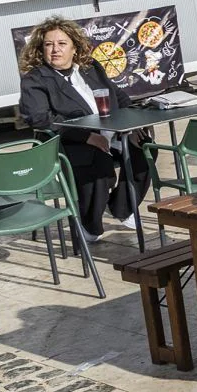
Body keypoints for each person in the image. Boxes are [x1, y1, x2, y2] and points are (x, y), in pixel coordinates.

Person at [16, 17, 150, 241]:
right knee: (96, 158)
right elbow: (40, 119)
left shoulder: (91, 68)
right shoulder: (35, 79)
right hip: (68, 142)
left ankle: (122, 207)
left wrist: (133, 124)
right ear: (41, 49)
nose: (55, 50)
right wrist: (86, 136)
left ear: (74, 47)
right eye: (49, 44)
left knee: (145, 147)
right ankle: (90, 222)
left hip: (112, 132)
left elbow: (120, 97)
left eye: (62, 43)